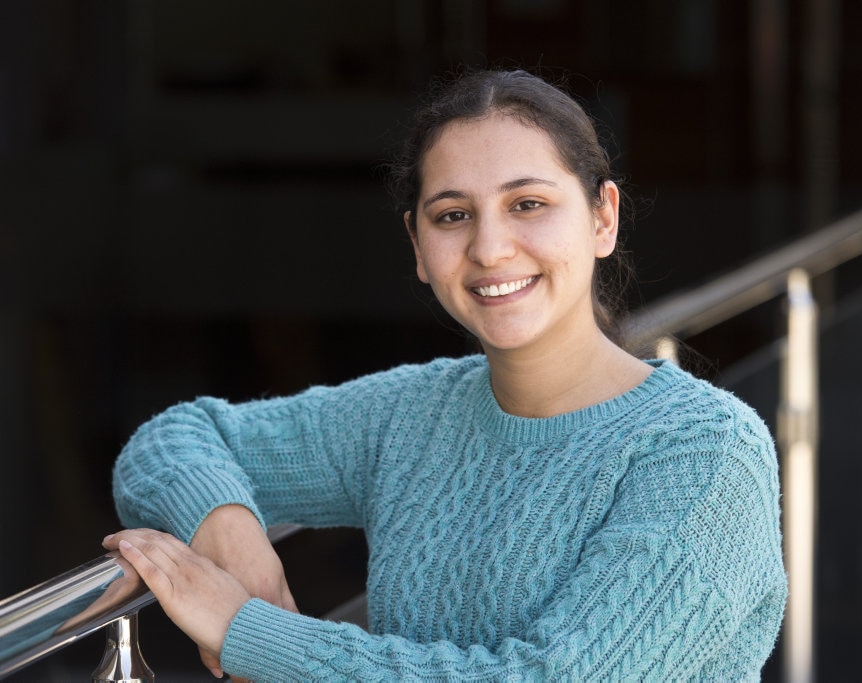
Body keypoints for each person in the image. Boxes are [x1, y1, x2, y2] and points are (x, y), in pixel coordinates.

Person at [104, 68, 787, 681]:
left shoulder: (708, 451)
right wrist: (231, 533)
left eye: (528, 204)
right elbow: (172, 440)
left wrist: (250, 630)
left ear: (603, 217)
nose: (489, 248)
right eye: (453, 215)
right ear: (419, 248)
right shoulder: (414, 412)